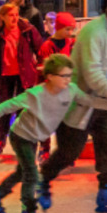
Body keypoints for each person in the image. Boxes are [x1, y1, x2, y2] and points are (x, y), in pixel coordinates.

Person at [0, 55, 107, 213]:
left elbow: (89, 101)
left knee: (22, 172)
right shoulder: (35, 94)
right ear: (50, 76)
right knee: (31, 174)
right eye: (63, 76)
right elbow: (6, 106)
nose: (68, 80)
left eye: (70, 75)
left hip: (35, 137)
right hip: (21, 136)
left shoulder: (72, 90)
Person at [37, 0, 107, 213]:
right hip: (79, 102)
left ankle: (106, 193)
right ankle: (43, 179)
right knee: (69, 152)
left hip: (102, 102)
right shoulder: (94, 32)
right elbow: (92, 72)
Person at [0, 4, 45, 157]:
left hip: (24, 75)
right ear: (2, 17)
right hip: (4, 75)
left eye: (16, 14)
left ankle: (25, 142)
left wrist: (42, 67)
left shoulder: (27, 29)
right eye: (10, 15)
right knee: (4, 108)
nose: (14, 18)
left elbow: (40, 50)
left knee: (23, 109)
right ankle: (0, 141)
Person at [32, 12, 76, 163]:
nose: (70, 33)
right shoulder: (47, 46)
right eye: (67, 29)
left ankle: (65, 151)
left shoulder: (71, 43)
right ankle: (44, 149)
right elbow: (44, 69)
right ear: (58, 28)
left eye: (72, 30)